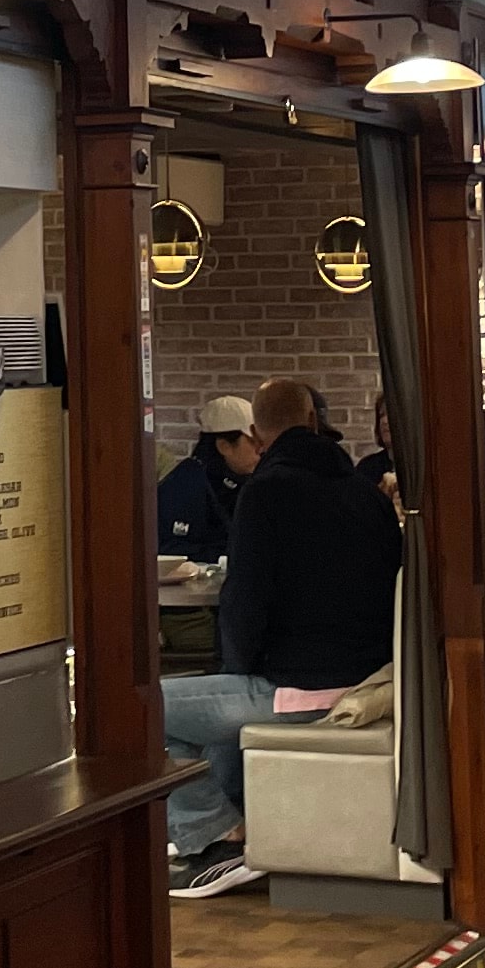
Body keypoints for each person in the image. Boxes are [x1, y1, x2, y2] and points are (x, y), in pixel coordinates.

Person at [165, 374, 404, 896]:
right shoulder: (366, 494)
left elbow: (245, 601)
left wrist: (242, 666)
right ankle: (228, 830)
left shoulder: (266, 493)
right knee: (216, 706)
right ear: (315, 421)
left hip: (301, 685)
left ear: (256, 432)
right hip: (370, 675)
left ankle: (214, 840)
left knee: (139, 705)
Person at [155, 394, 256, 560]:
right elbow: (168, 551)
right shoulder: (183, 487)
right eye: (252, 441)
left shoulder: (250, 483)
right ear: (224, 446)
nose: (260, 449)